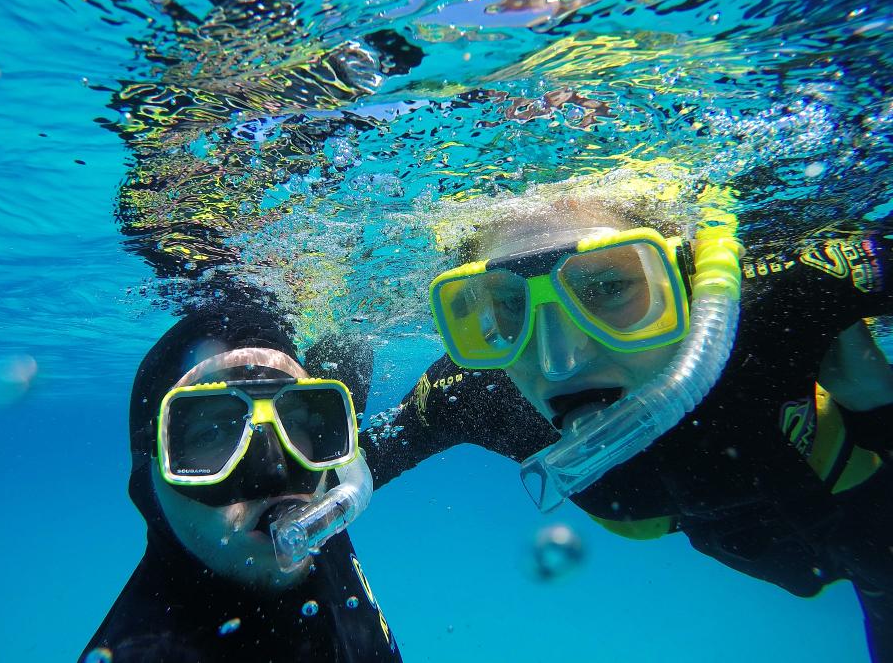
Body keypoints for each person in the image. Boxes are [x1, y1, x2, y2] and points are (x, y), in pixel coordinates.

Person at [361, 172, 893, 661]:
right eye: (508, 306)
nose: (558, 360)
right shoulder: (483, 386)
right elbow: (339, 470)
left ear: (684, 284)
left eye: (608, 288)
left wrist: (878, 406)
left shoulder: (778, 304)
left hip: (862, 507)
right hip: (736, 543)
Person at [80, 301, 400, 663]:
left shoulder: (319, 483)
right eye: (213, 433)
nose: (276, 472)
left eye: (293, 419)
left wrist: (437, 412)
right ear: (149, 475)